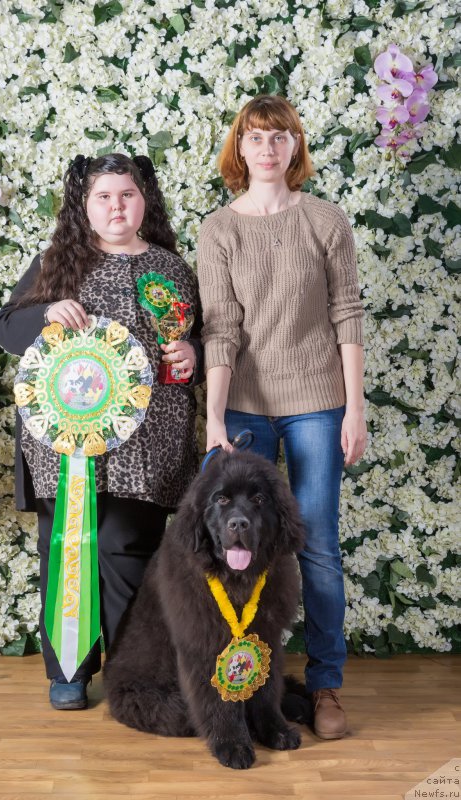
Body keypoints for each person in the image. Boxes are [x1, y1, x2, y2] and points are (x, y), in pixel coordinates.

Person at [0, 153, 203, 710]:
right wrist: (45, 313)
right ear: (84, 207)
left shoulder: (172, 268)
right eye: (104, 197)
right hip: (62, 443)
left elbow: (203, 339)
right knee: (64, 545)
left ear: (144, 203)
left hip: (149, 444)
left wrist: (194, 354)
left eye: (127, 195)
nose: (116, 206)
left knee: (123, 547)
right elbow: (6, 330)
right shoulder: (56, 265)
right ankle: (70, 671)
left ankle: (138, 673)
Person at [197, 95, 366, 740]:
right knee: (238, 549)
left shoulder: (326, 221)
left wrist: (356, 406)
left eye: (280, 137)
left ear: (296, 148)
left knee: (317, 545)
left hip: (319, 404)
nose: (267, 148)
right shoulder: (219, 230)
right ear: (239, 150)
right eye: (255, 138)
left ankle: (324, 687)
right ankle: (244, 682)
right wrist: (214, 418)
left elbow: (347, 314)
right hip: (244, 408)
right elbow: (221, 329)